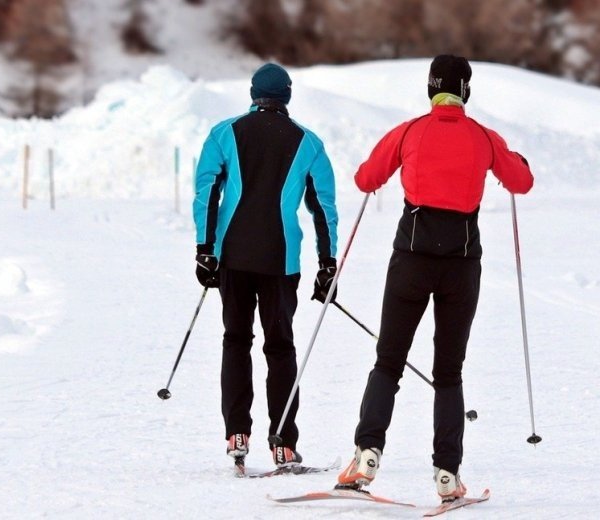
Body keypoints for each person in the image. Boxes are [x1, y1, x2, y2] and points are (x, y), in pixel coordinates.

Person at [336, 55, 534, 501]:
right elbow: (521, 182)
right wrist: (515, 159)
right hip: (461, 266)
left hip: (410, 260)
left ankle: (366, 454)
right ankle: (447, 474)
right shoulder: (484, 138)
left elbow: (366, 179)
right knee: (449, 372)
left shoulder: (409, 131)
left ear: (431, 89)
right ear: (465, 90)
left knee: (389, 360)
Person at [192, 63, 339, 469]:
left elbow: (208, 192)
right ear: (286, 96)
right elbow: (323, 209)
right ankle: (283, 443)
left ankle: (236, 433)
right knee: (280, 347)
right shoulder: (308, 143)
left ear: (254, 93)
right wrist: (328, 264)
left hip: (233, 257)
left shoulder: (224, 133)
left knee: (235, 340)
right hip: (281, 260)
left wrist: (205, 249)